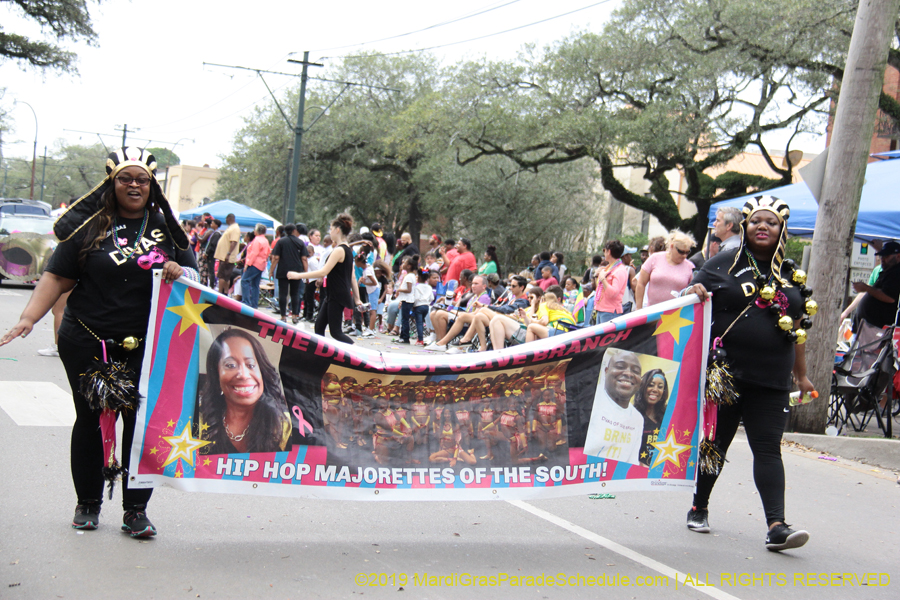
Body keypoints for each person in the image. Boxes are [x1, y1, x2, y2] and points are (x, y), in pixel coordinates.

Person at [0, 147, 199, 538]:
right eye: (126, 178)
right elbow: (57, 277)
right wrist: (27, 319)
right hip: (86, 341)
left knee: (140, 426)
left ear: (151, 185)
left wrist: (180, 270)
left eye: (142, 179)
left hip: (146, 345)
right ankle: (87, 504)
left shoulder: (165, 229)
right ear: (112, 183)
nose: (135, 185)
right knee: (89, 420)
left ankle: (135, 511)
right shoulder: (89, 227)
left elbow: (194, 278)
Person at [682, 195, 816, 552]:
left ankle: (777, 526)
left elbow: (797, 331)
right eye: (756, 221)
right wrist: (691, 290)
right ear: (744, 226)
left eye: (771, 223)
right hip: (726, 376)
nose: (763, 227)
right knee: (716, 445)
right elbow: (687, 303)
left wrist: (801, 377)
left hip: (772, 379)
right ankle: (700, 506)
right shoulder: (722, 264)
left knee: (769, 448)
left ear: (781, 230)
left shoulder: (791, 276)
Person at [198, 328, 291, 454]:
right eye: (230, 365)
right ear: (217, 375)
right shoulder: (197, 420)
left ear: (262, 372)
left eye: (251, 365)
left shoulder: (285, 426)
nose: (243, 375)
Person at [287, 213, 362, 344]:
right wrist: (357, 299)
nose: (330, 232)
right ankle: (321, 354)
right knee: (319, 326)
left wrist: (298, 275)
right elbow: (352, 277)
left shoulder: (340, 250)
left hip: (337, 294)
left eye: (331, 229)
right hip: (334, 293)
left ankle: (357, 354)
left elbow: (323, 272)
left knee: (336, 332)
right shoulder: (347, 249)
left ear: (338, 230)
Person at [583, 350, 644, 465]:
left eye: (635, 371)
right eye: (620, 367)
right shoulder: (589, 402)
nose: (628, 374)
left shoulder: (638, 419)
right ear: (606, 371)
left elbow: (632, 462)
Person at [634, 230, 696, 311]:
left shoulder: (689, 266)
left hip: (677, 314)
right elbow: (641, 283)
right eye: (681, 252)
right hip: (652, 311)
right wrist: (638, 307)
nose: (684, 255)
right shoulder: (655, 258)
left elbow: (692, 290)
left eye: (687, 252)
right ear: (672, 246)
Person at [852, 241, 900, 329]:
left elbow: (889, 297)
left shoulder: (896, 273)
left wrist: (866, 288)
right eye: (881, 256)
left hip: (876, 329)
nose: (882, 259)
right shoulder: (889, 270)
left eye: (886, 256)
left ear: (898, 256)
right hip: (867, 328)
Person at [270, 224, 308, 323]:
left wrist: (271, 271)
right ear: (295, 230)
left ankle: (283, 316)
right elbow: (304, 259)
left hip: (283, 270)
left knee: (283, 293)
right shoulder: (300, 242)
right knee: (294, 293)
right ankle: (295, 316)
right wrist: (306, 273)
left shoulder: (281, 241)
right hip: (296, 271)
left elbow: (276, 258)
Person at [633, 369, 669, 467]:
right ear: (643, 387)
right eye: (651, 385)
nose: (655, 389)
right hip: (637, 474)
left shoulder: (668, 417)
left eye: (660, 387)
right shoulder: (632, 415)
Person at [592, 240, 629, 323]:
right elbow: (599, 288)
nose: (604, 253)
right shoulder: (608, 268)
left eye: (604, 251)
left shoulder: (619, 271)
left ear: (609, 252)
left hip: (610, 311)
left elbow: (613, 293)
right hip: (601, 309)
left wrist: (603, 279)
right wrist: (597, 275)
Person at [241, 223, 270, 308]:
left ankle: (246, 301)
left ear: (257, 231)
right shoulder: (265, 240)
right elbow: (268, 252)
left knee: (245, 280)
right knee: (255, 285)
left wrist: (247, 264)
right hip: (261, 264)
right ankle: (254, 304)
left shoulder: (257, 240)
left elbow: (254, 253)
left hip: (254, 263)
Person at [214, 214, 242, 295]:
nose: (225, 220)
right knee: (225, 276)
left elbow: (233, 242)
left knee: (222, 275)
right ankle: (225, 292)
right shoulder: (231, 227)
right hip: (224, 256)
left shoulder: (235, 228)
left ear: (229, 218)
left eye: (226, 219)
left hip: (227, 257)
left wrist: (228, 254)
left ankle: (221, 292)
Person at [200, 218, 221, 289]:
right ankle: (211, 283)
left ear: (216, 225)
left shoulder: (217, 234)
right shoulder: (214, 233)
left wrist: (206, 253)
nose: (211, 225)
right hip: (209, 254)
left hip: (211, 255)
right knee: (209, 269)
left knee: (211, 269)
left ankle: (212, 285)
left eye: (212, 223)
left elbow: (212, 245)